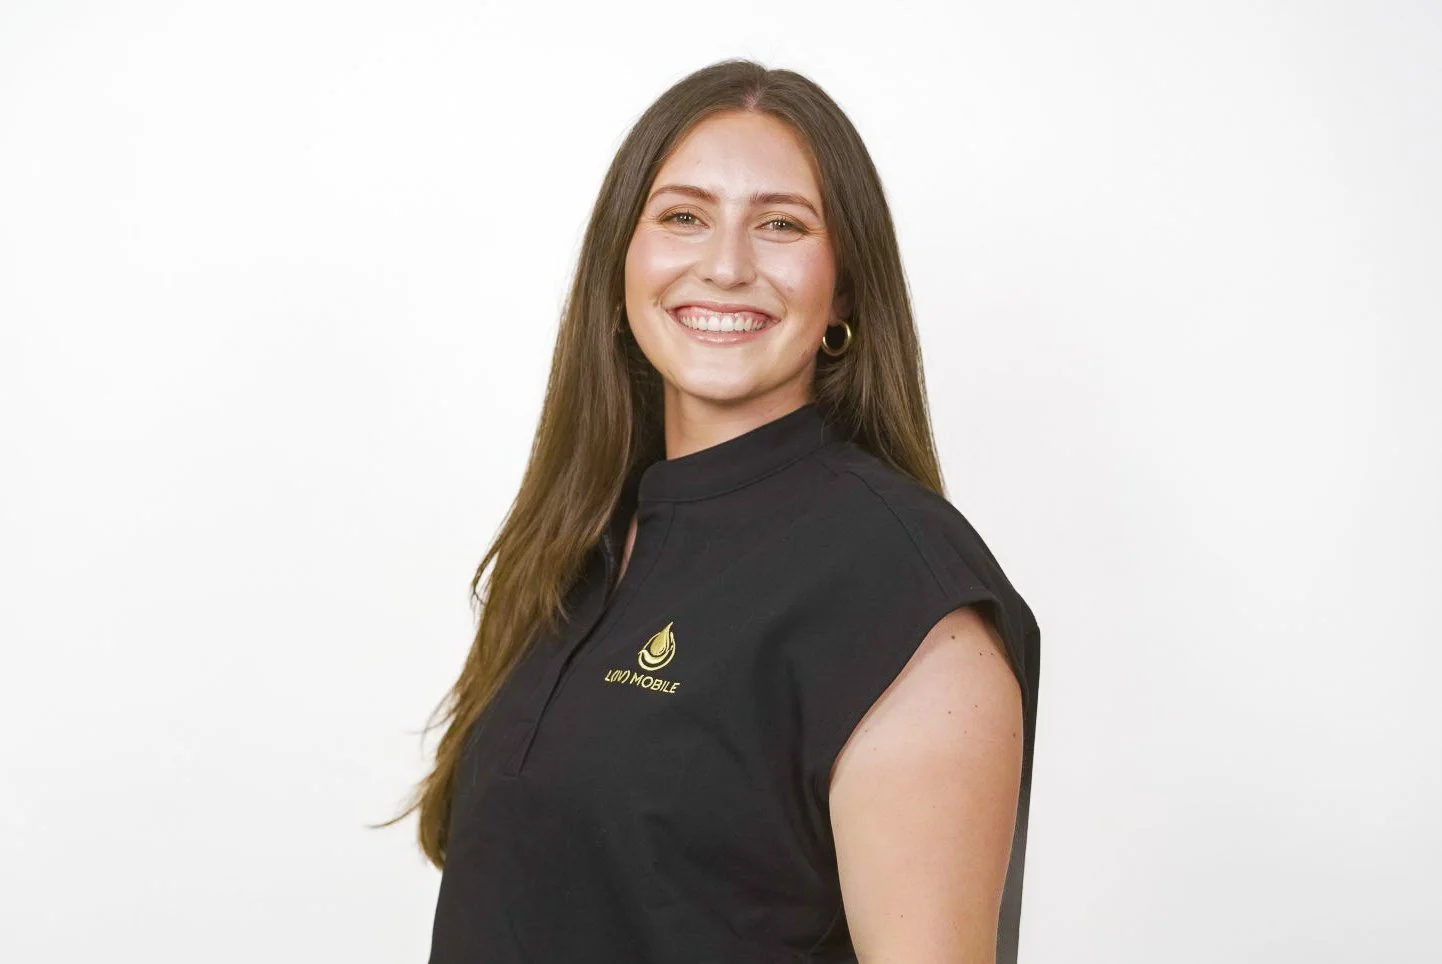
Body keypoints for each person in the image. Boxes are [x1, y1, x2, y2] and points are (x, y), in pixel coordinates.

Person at [393, 58, 1041, 963]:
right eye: (684, 217)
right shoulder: (582, 533)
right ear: (623, 260)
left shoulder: (906, 597)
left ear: (844, 288)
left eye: (781, 225)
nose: (727, 266)